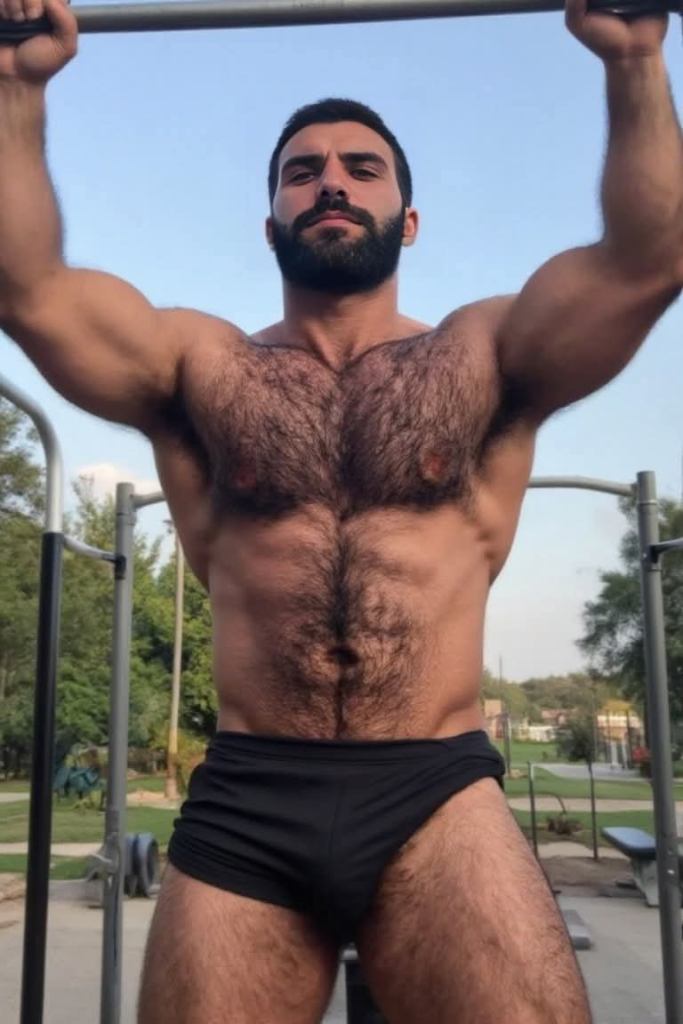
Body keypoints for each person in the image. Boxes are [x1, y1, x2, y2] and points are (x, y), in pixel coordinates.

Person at [1, 0, 681, 1018]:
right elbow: (28, 289)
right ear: (270, 220)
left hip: (436, 791)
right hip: (249, 796)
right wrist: (17, 87)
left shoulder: (480, 354)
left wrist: (632, 60)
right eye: (301, 170)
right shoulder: (200, 364)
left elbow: (646, 261)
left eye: (362, 168)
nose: (330, 182)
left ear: (407, 219)